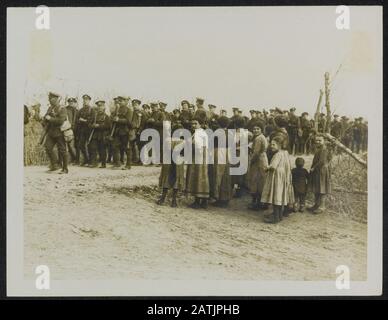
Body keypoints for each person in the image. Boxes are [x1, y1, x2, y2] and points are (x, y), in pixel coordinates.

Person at [261, 136, 294, 223]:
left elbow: (272, 167)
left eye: (273, 144)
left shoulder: (277, 154)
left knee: (275, 196)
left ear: (279, 145)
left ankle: (275, 218)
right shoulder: (285, 153)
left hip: (276, 178)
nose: (271, 146)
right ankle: (279, 216)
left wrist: (265, 164)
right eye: (271, 144)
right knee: (279, 196)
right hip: (282, 177)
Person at [157, 126, 185, 207]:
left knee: (166, 178)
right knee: (176, 178)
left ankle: (162, 198)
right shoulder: (183, 141)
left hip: (168, 161)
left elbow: (164, 151)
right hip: (178, 161)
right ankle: (174, 201)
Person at [185, 119, 210, 209]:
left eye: (196, 123)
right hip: (200, 157)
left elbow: (198, 147)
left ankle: (198, 201)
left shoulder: (199, 133)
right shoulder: (198, 133)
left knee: (198, 177)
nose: (194, 125)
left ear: (200, 124)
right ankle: (203, 200)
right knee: (202, 178)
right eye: (192, 124)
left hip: (198, 157)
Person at [42, 92, 69, 174]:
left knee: (62, 150)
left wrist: (50, 119)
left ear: (56, 99)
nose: (49, 100)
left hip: (60, 132)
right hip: (51, 132)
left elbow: (61, 121)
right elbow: (45, 117)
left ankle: (65, 169)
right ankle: (55, 165)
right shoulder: (50, 108)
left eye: (51, 99)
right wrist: (45, 119)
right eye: (49, 99)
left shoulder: (62, 108)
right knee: (48, 147)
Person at [209, 116, 233, 207]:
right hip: (227, 153)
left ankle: (218, 197)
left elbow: (210, 143)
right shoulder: (230, 133)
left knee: (217, 175)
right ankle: (225, 198)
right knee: (225, 176)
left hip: (218, 152)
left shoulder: (217, 132)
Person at [308, 135, 332, 214]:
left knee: (322, 188)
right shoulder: (319, 149)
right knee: (317, 187)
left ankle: (322, 206)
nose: (317, 142)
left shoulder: (324, 150)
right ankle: (316, 204)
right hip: (318, 172)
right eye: (316, 140)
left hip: (322, 171)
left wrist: (314, 168)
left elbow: (322, 161)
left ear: (324, 141)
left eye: (320, 140)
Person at [247, 125, 268, 210]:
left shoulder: (259, 138)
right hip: (262, 159)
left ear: (261, 130)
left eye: (258, 129)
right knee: (261, 180)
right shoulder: (262, 137)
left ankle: (258, 203)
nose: (255, 130)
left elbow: (256, 152)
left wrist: (251, 161)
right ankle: (259, 202)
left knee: (257, 180)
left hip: (258, 161)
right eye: (254, 129)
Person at [111, 96, 133, 169]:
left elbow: (129, 121)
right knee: (115, 146)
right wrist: (114, 118)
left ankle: (128, 165)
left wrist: (118, 120)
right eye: (119, 101)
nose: (120, 102)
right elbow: (113, 118)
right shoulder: (117, 110)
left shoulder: (128, 110)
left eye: (121, 101)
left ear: (125, 101)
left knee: (127, 148)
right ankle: (117, 163)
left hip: (125, 131)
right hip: (117, 131)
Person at [88, 100, 111, 168]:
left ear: (104, 107)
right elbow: (89, 124)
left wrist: (99, 126)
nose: (100, 108)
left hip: (103, 135)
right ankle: (94, 163)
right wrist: (93, 125)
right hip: (94, 135)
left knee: (102, 150)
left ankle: (103, 164)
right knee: (93, 148)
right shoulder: (94, 116)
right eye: (98, 106)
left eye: (101, 106)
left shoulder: (106, 117)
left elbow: (108, 126)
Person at [76, 94, 93, 166]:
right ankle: (86, 160)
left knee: (90, 146)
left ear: (89, 101)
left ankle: (91, 161)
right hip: (82, 130)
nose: (85, 101)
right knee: (81, 145)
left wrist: (84, 120)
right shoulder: (80, 110)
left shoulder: (92, 110)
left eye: (86, 100)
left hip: (89, 130)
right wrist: (80, 121)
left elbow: (92, 120)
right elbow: (76, 120)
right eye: (84, 100)